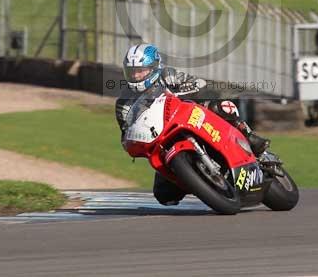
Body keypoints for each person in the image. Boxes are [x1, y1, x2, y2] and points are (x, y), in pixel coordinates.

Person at [115, 42, 270, 206]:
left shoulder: (168, 75)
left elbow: (200, 85)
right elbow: (126, 132)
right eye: (132, 72)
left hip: (188, 116)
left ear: (154, 67)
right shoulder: (124, 103)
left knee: (222, 107)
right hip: (161, 141)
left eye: (141, 71)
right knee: (164, 195)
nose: (136, 76)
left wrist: (188, 87)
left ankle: (250, 137)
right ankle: (198, 181)